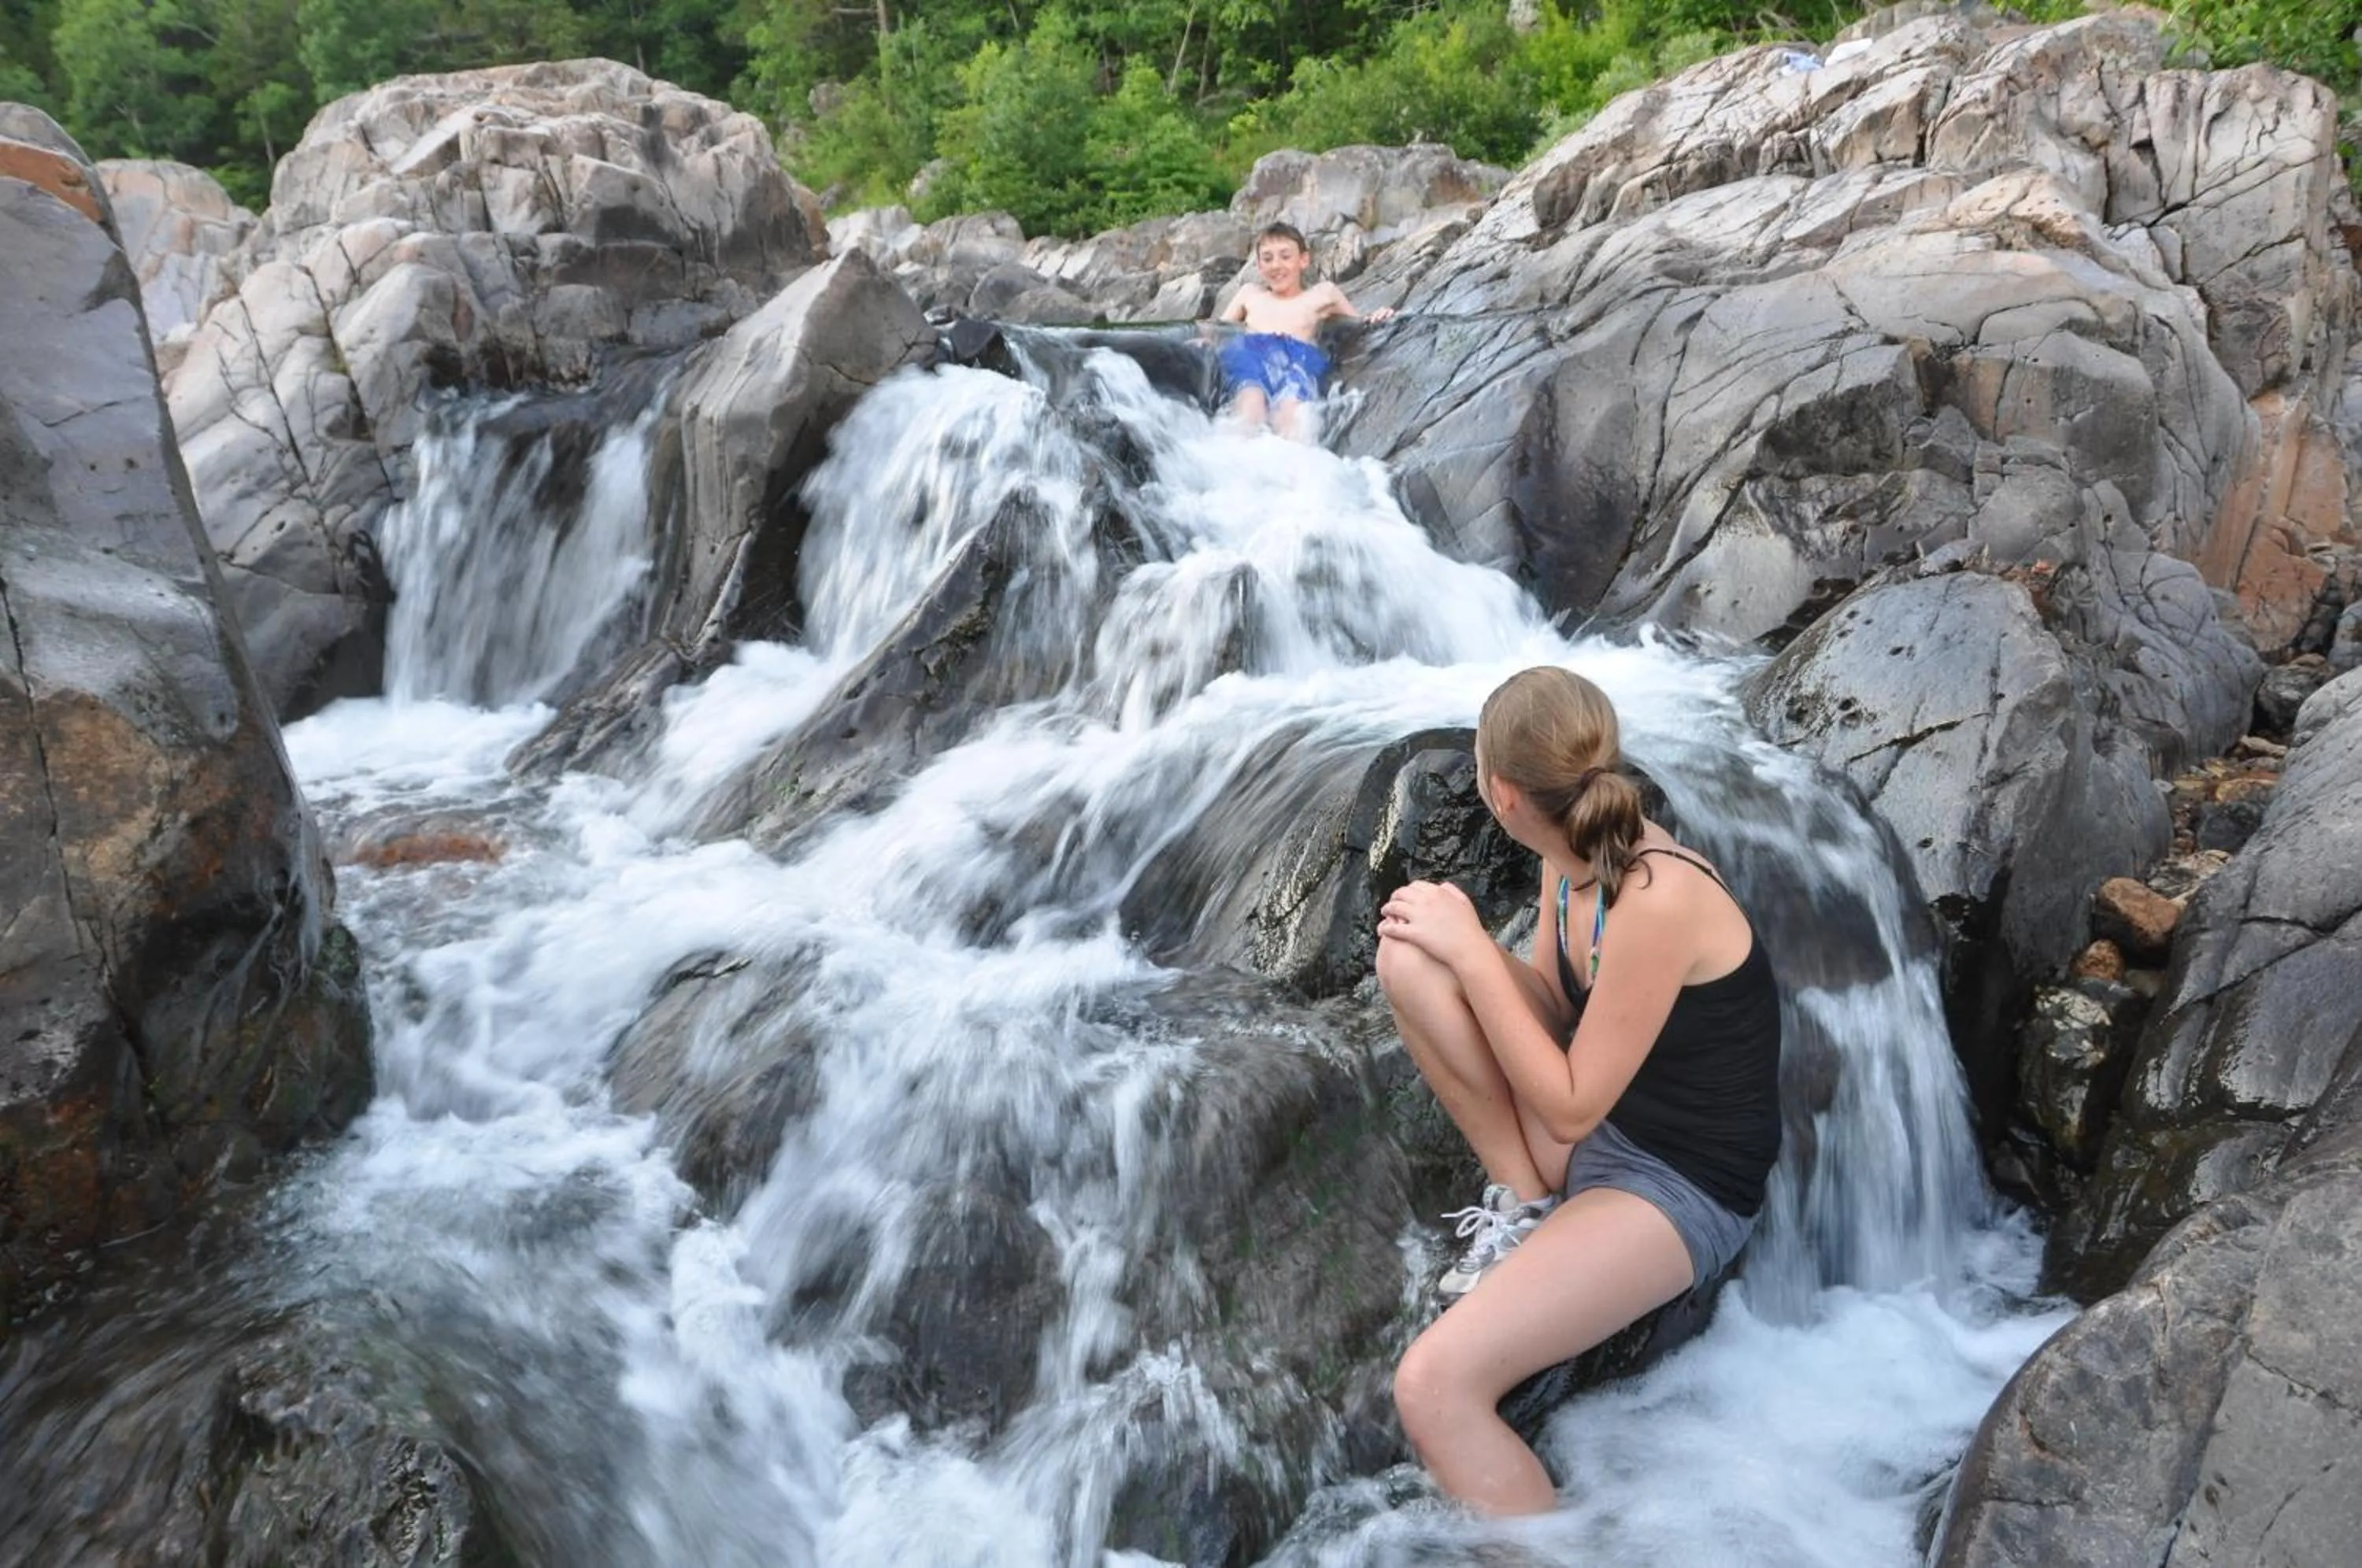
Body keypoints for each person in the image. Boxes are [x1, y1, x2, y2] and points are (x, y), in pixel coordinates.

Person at [1374, 665, 1783, 1517]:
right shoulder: (1571, 859)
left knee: (1434, 1388)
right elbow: (1562, 1011)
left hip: (1678, 1184)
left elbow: (1567, 1103)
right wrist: (1454, 950)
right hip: (1602, 1124)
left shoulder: (1658, 896)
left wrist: (1476, 950)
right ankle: (1526, 1207)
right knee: (1409, 957)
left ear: (1502, 794)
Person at [1207, 222, 1394, 440]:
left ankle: (1289, 465)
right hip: (1252, 358)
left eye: (1285, 257)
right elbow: (1218, 331)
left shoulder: (1323, 294)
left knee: (1290, 411)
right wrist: (1204, 343)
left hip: (1296, 362)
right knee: (1251, 404)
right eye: (1267, 259)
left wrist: (1377, 316)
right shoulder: (1250, 294)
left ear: (1303, 260)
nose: (1276, 265)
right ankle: (1238, 455)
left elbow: (1358, 324)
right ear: (1258, 265)